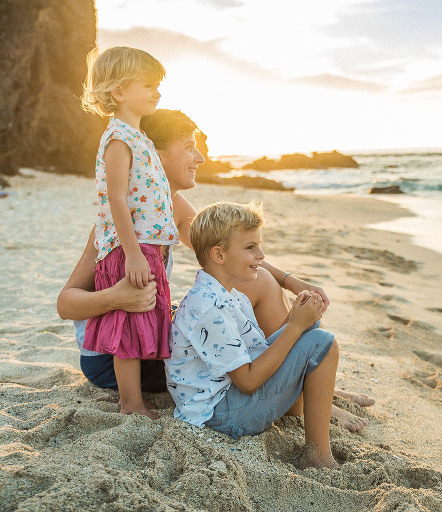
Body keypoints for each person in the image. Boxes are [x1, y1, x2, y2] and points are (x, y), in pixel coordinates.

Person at [57, 109, 372, 430]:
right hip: (111, 355)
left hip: (152, 330)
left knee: (256, 284)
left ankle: (305, 378)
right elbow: (65, 303)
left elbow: (230, 253)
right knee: (241, 301)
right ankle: (300, 393)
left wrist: (290, 280)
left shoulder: (173, 206)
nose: (200, 158)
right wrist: (117, 298)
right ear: (156, 156)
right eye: (189, 146)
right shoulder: (115, 224)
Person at [169, 202, 339, 468]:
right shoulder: (211, 309)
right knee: (324, 344)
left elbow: (256, 350)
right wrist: (293, 326)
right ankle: (318, 456)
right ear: (219, 255)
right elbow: (247, 381)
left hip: (226, 398)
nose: (261, 255)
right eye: (250, 247)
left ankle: (296, 411)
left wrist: (299, 319)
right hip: (222, 413)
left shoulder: (227, 294)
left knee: (311, 329)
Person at [80, 47, 177, 419]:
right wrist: (134, 254)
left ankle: (133, 397)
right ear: (118, 92)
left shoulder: (139, 137)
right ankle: (130, 402)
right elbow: (117, 199)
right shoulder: (118, 139)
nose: (157, 92)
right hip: (129, 249)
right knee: (128, 328)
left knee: (141, 323)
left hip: (145, 246)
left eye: (158, 85)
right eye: (149, 85)